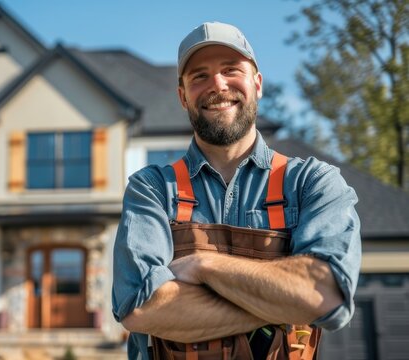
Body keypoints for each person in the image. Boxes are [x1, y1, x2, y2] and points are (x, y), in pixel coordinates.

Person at [111, 22, 361, 360]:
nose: (217, 84)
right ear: (183, 96)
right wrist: (286, 304)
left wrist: (204, 266)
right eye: (199, 76)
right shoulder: (152, 189)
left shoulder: (312, 183)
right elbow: (142, 308)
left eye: (231, 70)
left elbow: (324, 293)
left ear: (257, 85)